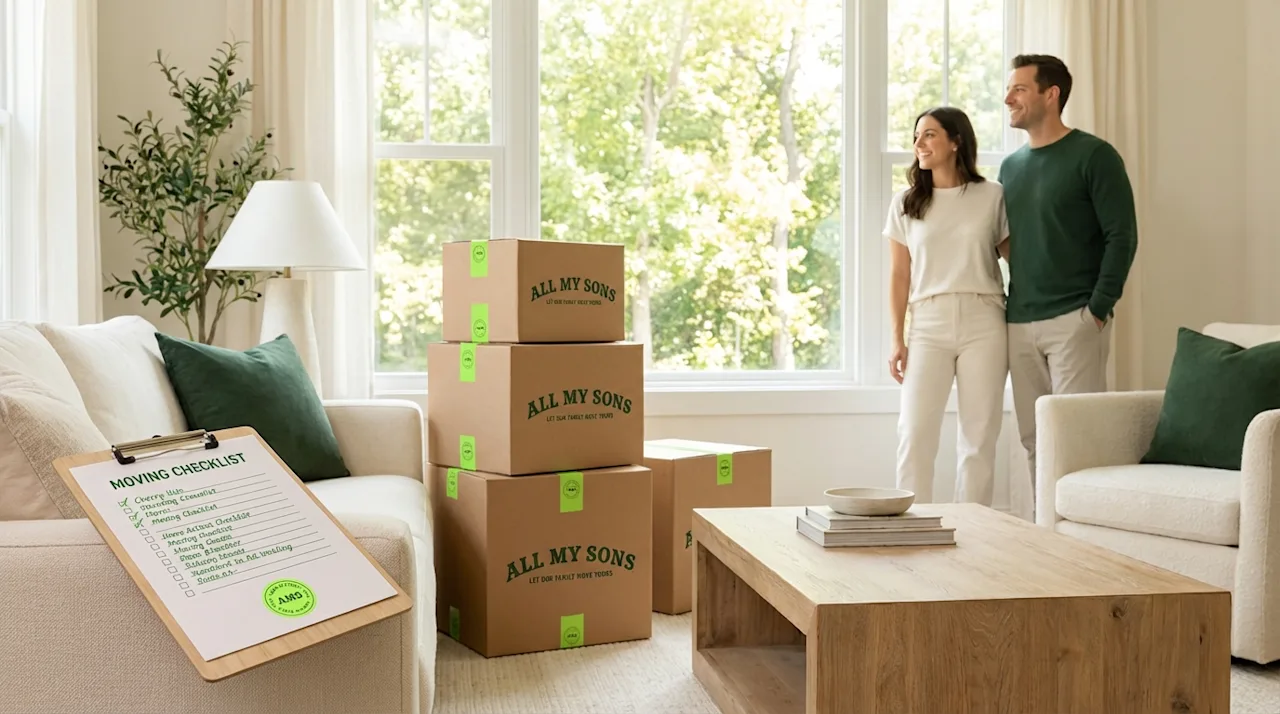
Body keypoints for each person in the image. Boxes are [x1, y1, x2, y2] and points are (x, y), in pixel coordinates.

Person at [998, 54, 1138, 512]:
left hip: (1076, 319)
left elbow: (1123, 236)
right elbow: (1009, 243)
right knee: (1034, 439)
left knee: (1076, 440)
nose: (1008, 98)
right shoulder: (1010, 169)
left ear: (1050, 93)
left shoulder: (1094, 155)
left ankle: (1082, 541)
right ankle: (1047, 539)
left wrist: (1097, 309)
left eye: (1019, 89)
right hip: (1018, 323)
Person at [884, 106, 1010, 506]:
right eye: (917, 136)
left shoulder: (992, 196)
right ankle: (908, 529)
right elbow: (899, 275)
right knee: (915, 433)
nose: (919, 144)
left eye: (930, 135)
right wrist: (896, 338)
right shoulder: (906, 203)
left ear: (956, 142)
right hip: (928, 322)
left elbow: (1017, 259)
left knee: (978, 437)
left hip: (985, 318)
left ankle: (975, 533)